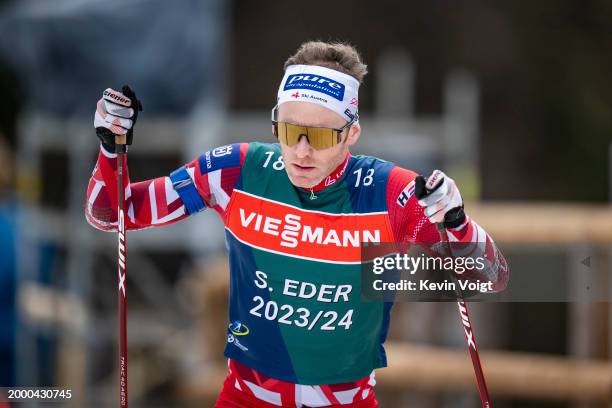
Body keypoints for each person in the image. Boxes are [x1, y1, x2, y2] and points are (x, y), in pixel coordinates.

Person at [86, 41, 509, 408]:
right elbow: (111, 214)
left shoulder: (388, 192)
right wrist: (109, 149)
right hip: (249, 397)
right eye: (289, 132)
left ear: (351, 134)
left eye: (321, 136)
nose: (302, 151)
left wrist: (456, 222)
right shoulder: (238, 171)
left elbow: (491, 278)